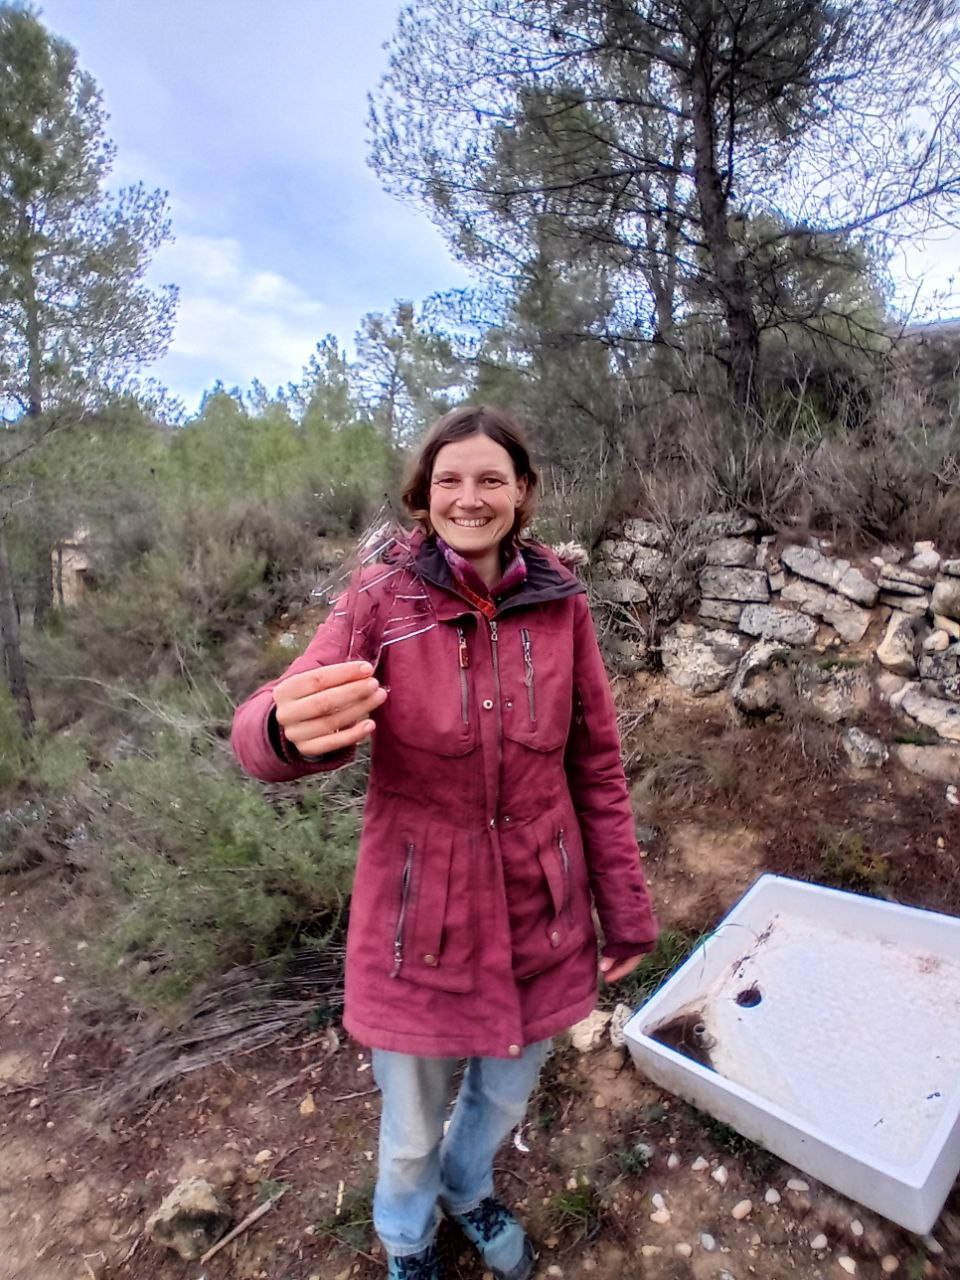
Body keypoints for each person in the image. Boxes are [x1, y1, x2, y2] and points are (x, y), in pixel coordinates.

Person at [231, 405, 659, 1280]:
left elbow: (596, 765)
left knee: (503, 1097)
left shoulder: (562, 603)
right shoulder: (380, 599)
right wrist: (277, 730)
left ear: (522, 492)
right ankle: (407, 1237)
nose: (470, 497)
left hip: (543, 909)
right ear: (423, 495)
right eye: (449, 480)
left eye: (491, 479)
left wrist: (624, 908)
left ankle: (469, 1189)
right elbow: (274, 717)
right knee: (410, 1127)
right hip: (417, 918)